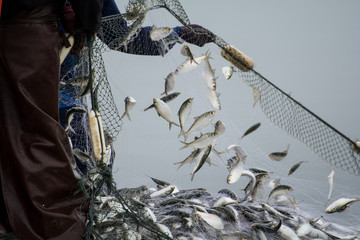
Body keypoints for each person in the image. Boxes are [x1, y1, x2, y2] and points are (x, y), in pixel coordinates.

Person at [59, 0, 216, 175]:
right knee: (77, 164)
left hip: (73, 98)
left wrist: (178, 34)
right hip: (38, 97)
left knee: (99, 158)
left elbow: (120, 38)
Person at [0, 0, 102, 239]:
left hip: (22, 25)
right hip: (29, 28)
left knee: (18, 127)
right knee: (35, 129)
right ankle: (53, 222)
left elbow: (120, 34)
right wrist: (87, 22)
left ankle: (12, 217)